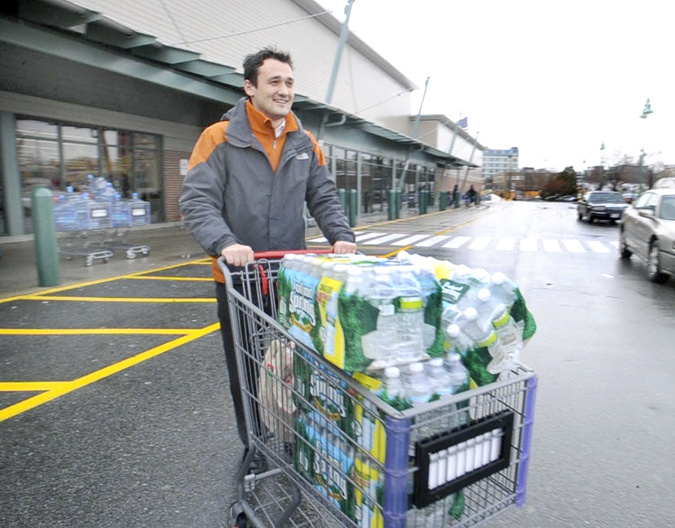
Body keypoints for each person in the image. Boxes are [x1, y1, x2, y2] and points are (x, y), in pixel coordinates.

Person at [179, 47, 357, 472]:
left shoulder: (304, 141)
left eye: (289, 82)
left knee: (293, 362)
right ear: (250, 87)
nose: (283, 90)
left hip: (287, 276)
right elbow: (197, 200)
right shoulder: (218, 138)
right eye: (274, 81)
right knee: (246, 365)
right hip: (239, 276)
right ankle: (254, 445)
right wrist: (225, 242)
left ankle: (293, 434)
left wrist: (342, 236)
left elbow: (323, 197)